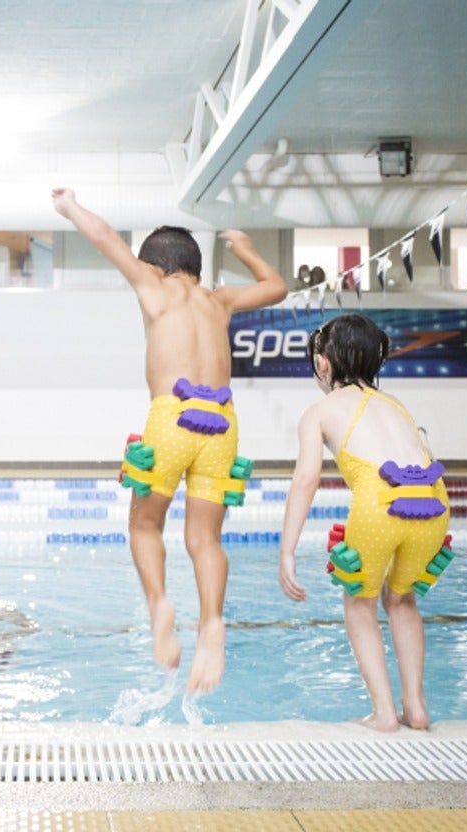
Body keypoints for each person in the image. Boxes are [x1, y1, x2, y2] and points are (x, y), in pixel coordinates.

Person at [51, 188, 287, 696]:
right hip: (223, 423)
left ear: (154, 268)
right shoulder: (219, 300)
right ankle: (212, 623)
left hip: (173, 417)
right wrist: (245, 248)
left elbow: (104, 237)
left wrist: (70, 206)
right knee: (205, 539)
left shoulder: (152, 287)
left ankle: (160, 603)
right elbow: (276, 287)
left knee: (143, 525)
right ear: (197, 270)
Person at [277, 313, 451, 732]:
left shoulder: (319, 410)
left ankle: (384, 714)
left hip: (381, 503)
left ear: (323, 363)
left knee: (360, 603)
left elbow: (306, 479)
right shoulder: (396, 406)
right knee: (403, 599)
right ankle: (417, 706)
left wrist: (287, 550)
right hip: (433, 499)